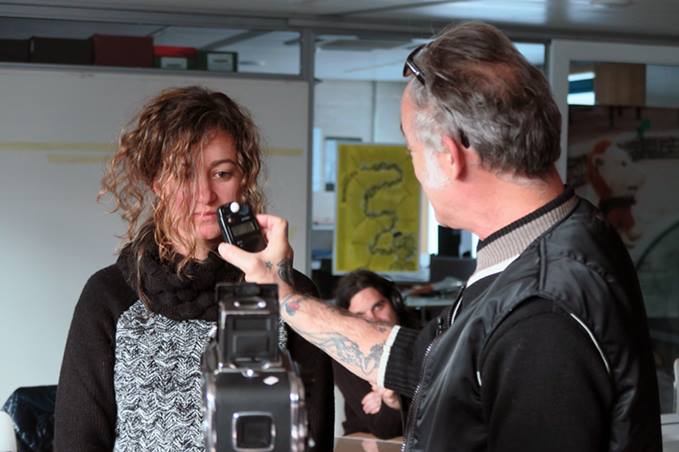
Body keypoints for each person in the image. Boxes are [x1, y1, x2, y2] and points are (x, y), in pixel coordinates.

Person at [219, 22, 662, 452]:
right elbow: (426, 361)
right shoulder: (557, 236)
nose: (414, 170)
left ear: (449, 156)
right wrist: (284, 296)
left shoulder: (541, 316)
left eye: (412, 151)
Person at [53, 86, 334, 451]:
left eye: (222, 173)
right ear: (157, 182)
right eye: (184, 174)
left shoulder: (287, 293)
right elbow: (77, 441)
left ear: (244, 180)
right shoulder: (110, 295)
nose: (204, 195)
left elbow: (313, 437)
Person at [332, 270, 408, 439]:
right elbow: (384, 428)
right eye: (360, 315)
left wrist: (395, 399)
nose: (373, 319)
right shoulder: (345, 356)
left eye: (378, 306)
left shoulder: (421, 339)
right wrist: (396, 401)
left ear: (394, 303)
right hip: (364, 441)